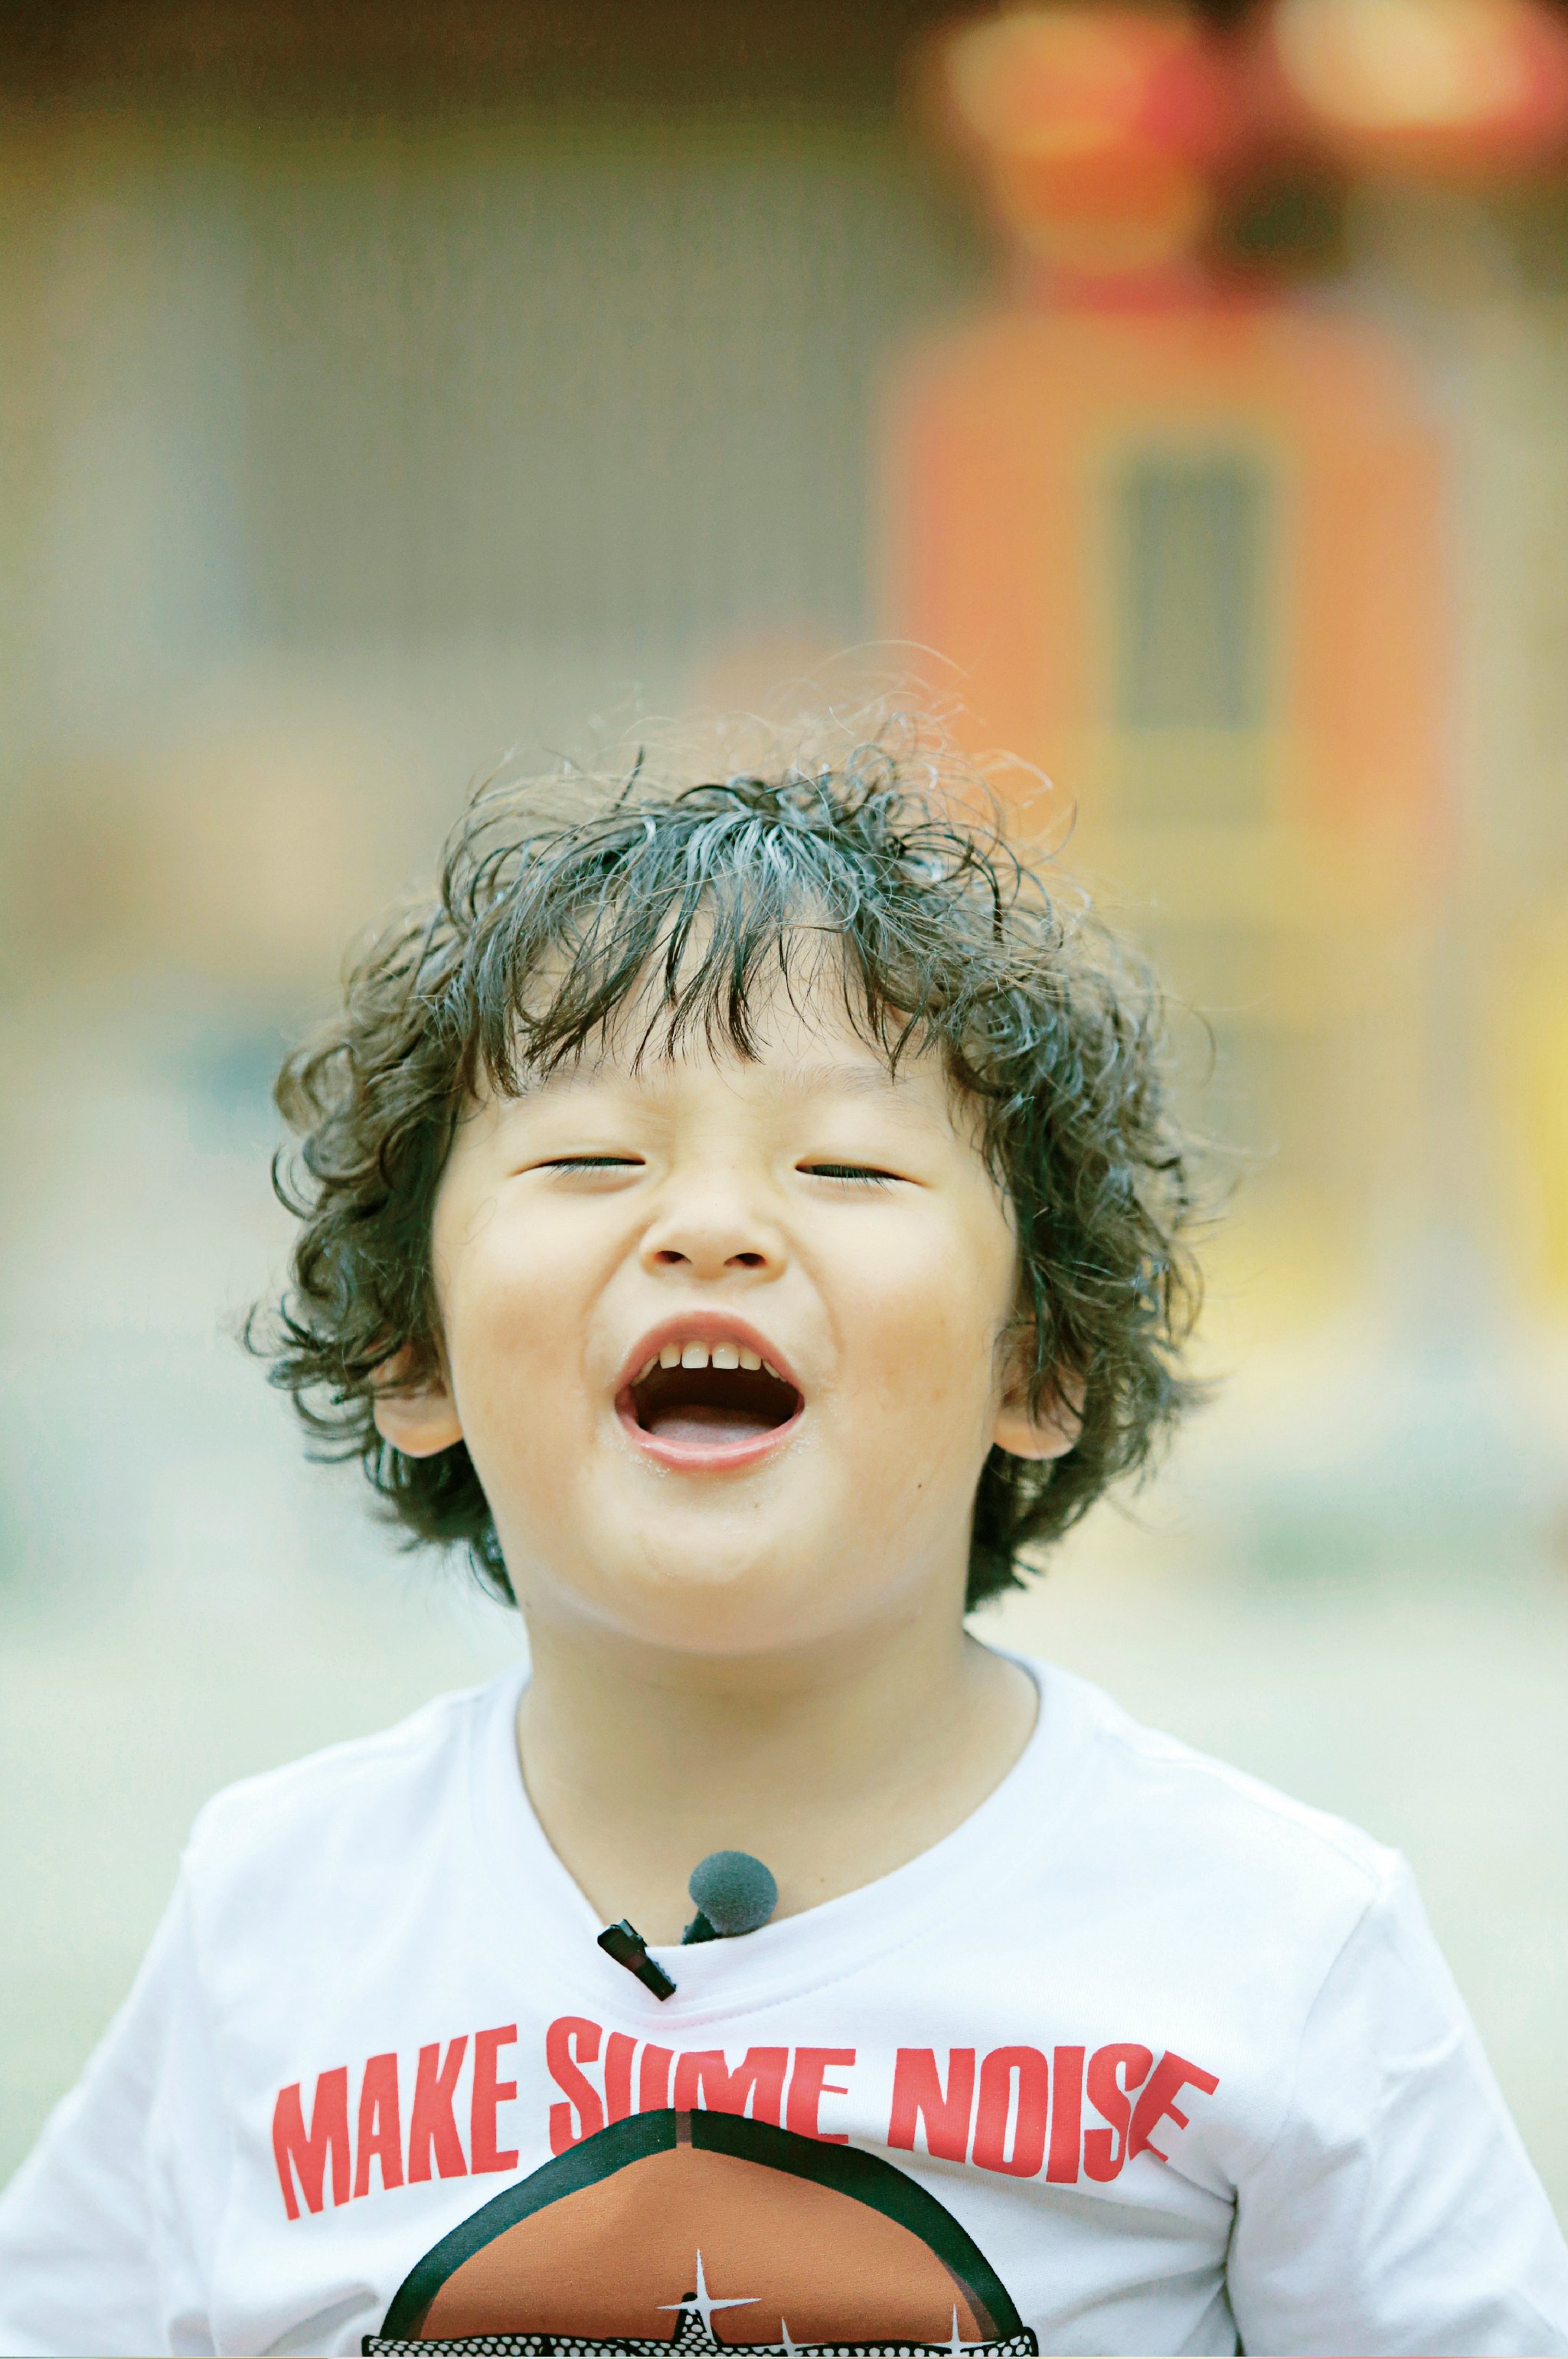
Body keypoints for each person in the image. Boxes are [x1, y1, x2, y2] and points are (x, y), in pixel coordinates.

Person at [1, 725, 1564, 2359]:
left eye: (846, 1164)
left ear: (1037, 1363)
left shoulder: (1273, 1943)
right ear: (415, 1352)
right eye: (592, 1158)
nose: (711, 1224)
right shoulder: (276, 1915)